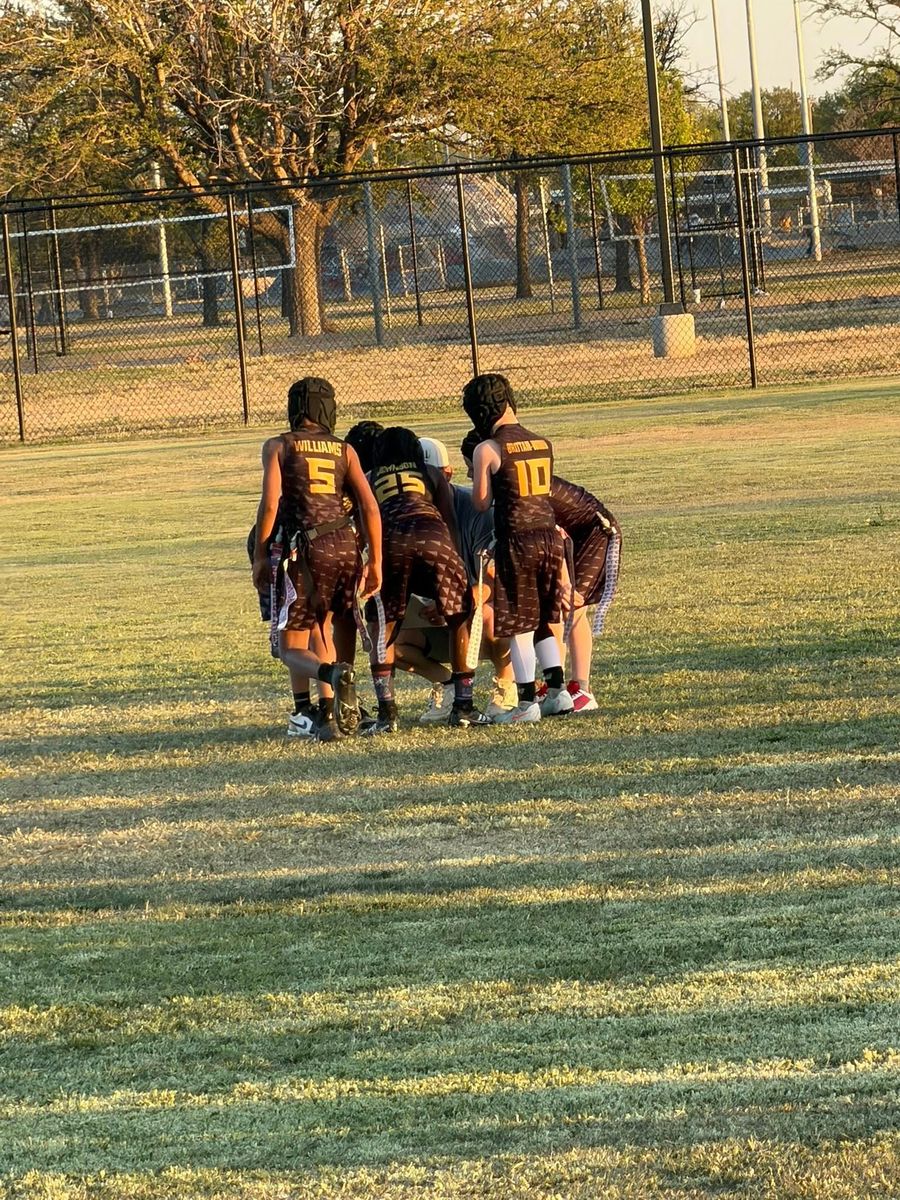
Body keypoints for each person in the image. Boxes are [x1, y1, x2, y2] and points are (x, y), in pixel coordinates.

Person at [251, 378, 382, 741]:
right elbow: (370, 506)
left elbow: (272, 504)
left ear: (294, 409)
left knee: (289, 646)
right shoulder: (346, 451)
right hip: (345, 546)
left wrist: (261, 555)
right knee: (320, 627)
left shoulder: (279, 446)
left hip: (304, 548)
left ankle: (332, 675)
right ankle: (327, 716)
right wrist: (376, 562)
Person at [364, 426, 489, 733]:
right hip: (433, 537)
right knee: (460, 616)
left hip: (391, 542)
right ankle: (463, 705)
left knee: (385, 624)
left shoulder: (370, 479)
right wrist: (451, 578)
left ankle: (387, 712)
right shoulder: (430, 473)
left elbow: (366, 521)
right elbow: (449, 522)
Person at [463, 373, 570, 723]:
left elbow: (481, 502)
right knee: (543, 620)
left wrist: (482, 476)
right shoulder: (542, 442)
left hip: (517, 540)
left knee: (518, 622)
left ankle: (526, 704)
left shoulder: (487, 449)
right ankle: (559, 692)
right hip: (550, 537)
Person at [395, 435, 516, 722]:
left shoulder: (476, 511)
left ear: (447, 474)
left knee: (489, 616)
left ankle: (506, 683)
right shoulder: (405, 513)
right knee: (388, 642)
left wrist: (452, 602)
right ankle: (448, 684)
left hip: (475, 614)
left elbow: (494, 579)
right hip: (433, 616)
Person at [546, 476, 621, 713]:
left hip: (594, 532)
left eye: (472, 466)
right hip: (571, 533)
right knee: (556, 606)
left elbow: (552, 532)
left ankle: (581, 690)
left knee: (569, 606)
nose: (471, 475)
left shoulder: (519, 484)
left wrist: (566, 581)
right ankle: (557, 687)